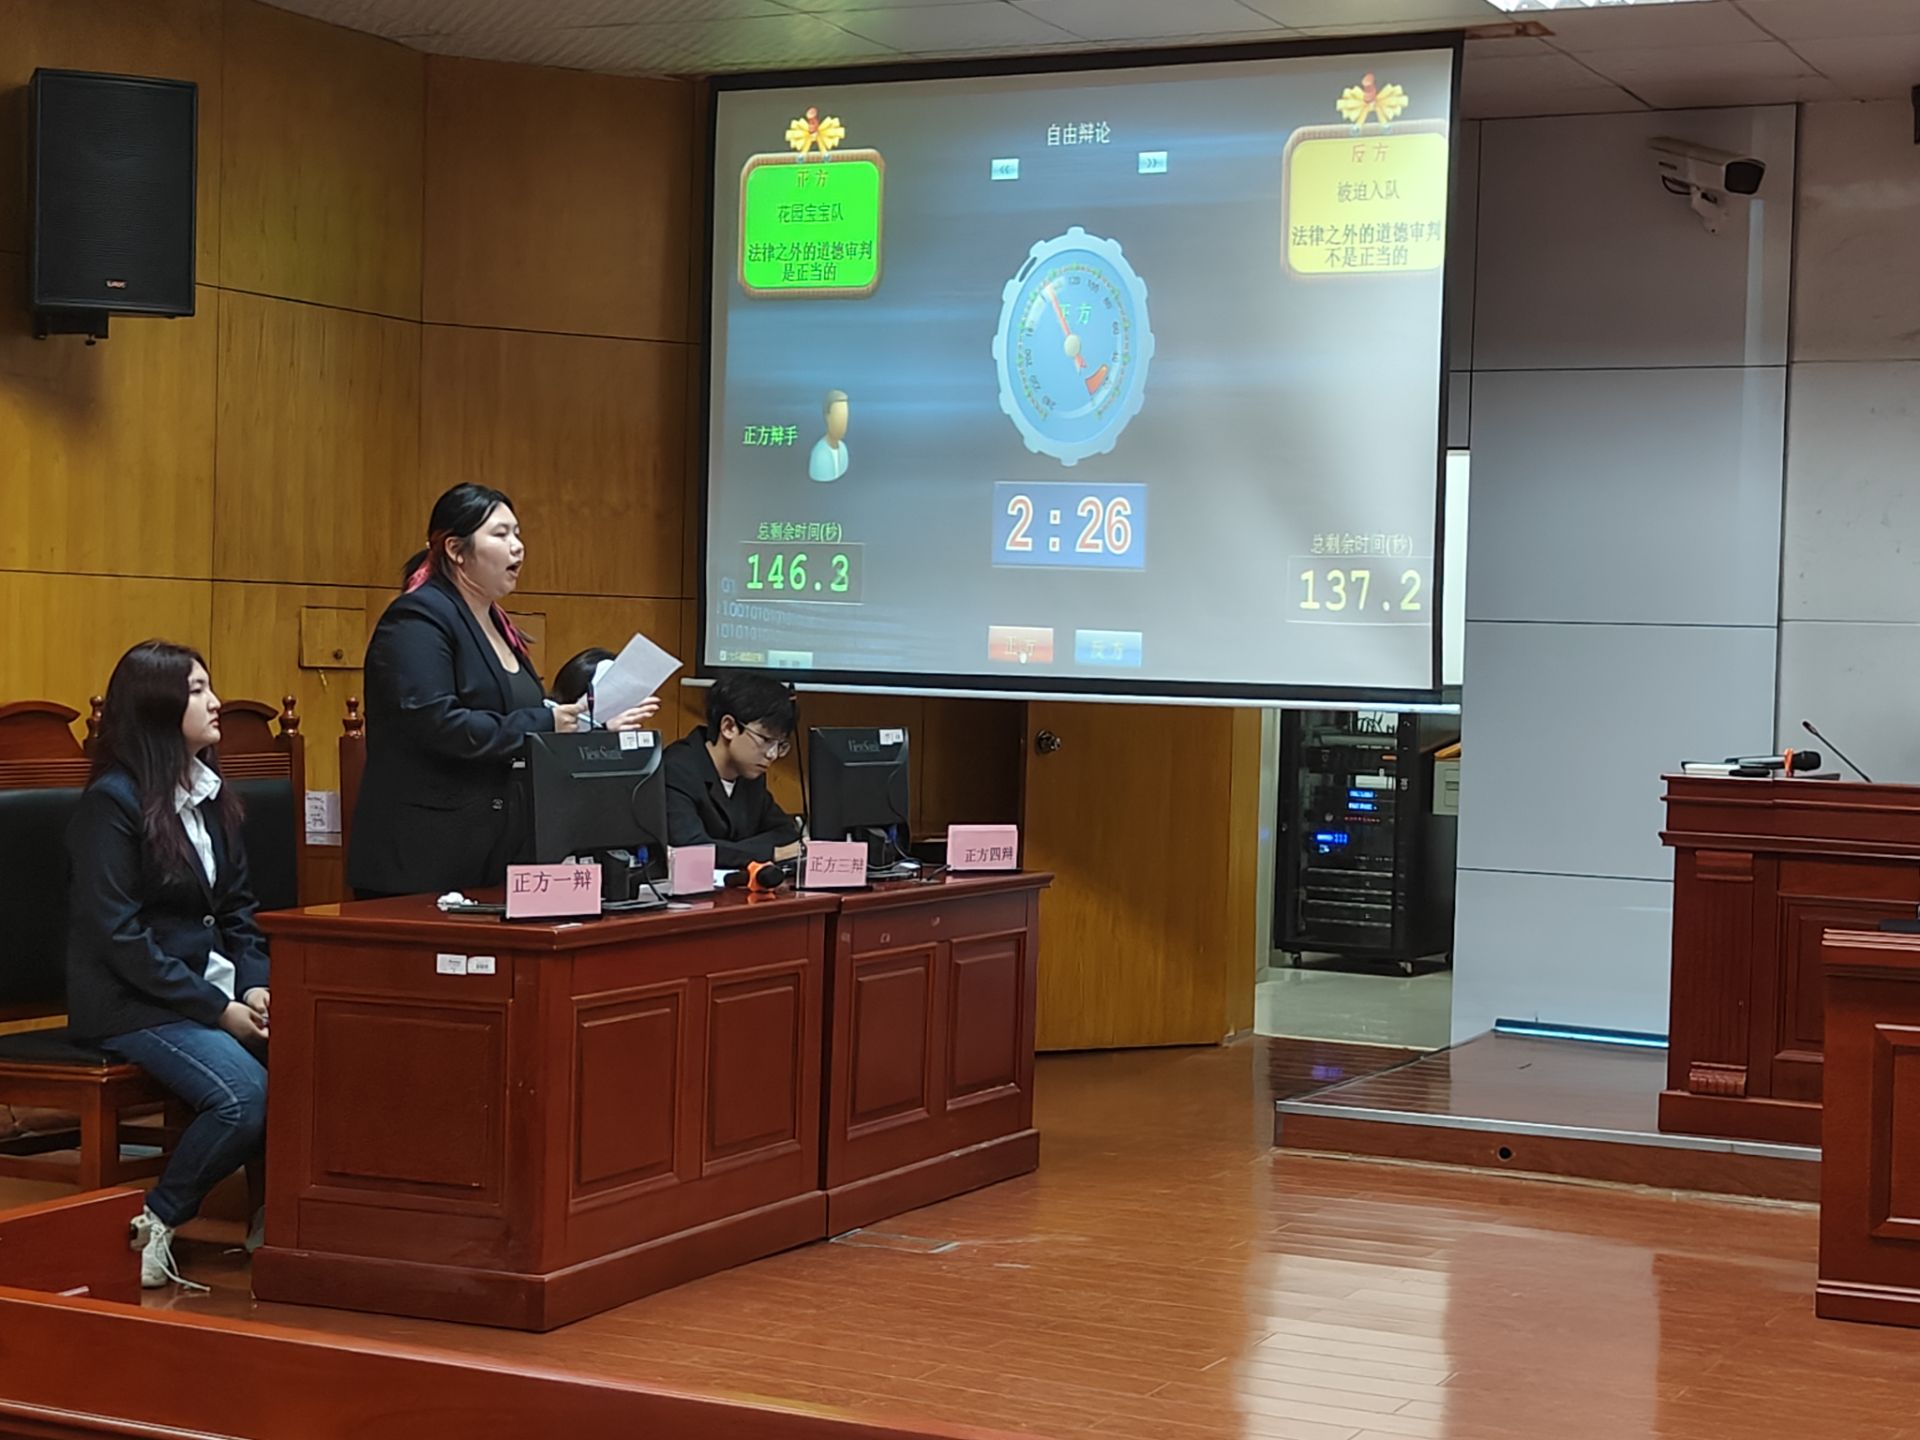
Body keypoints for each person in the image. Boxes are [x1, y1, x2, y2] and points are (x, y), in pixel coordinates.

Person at [66, 641, 270, 1290]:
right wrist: (218, 1010)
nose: (216, 703)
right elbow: (118, 936)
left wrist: (255, 986)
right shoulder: (113, 803)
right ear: (157, 708)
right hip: (131, 1001)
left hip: (204, 993)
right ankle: (154, 1222)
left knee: (311, 1059)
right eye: (197, 690)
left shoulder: (209, 793)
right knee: (244, 1097)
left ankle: (276, 1224)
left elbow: (239, 911)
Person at [347, 484, 659, 899]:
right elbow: (436, 724)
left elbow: (521, 722)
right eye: (501, 534)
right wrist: (548, 721)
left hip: (498, 851)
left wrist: (590, 726)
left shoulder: (497, 624)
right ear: (456, 550)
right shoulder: (417, 618)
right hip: (426, 857)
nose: (518, 546)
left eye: (518, 533)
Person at [663, 671, 802, 869]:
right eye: (765, 740)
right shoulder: (677, 768)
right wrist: (772, 853)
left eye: (780, 745)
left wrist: (729, 852)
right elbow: (692, 849)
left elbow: (786, 832)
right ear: (728, 727)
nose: (772, 754)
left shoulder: (750, 772)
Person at [807, 389, 850, 482]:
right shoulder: (819, 454)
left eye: (845, 417)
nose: (842, 423)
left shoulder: (843, 449)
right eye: (838, 417)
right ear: (827, 417)